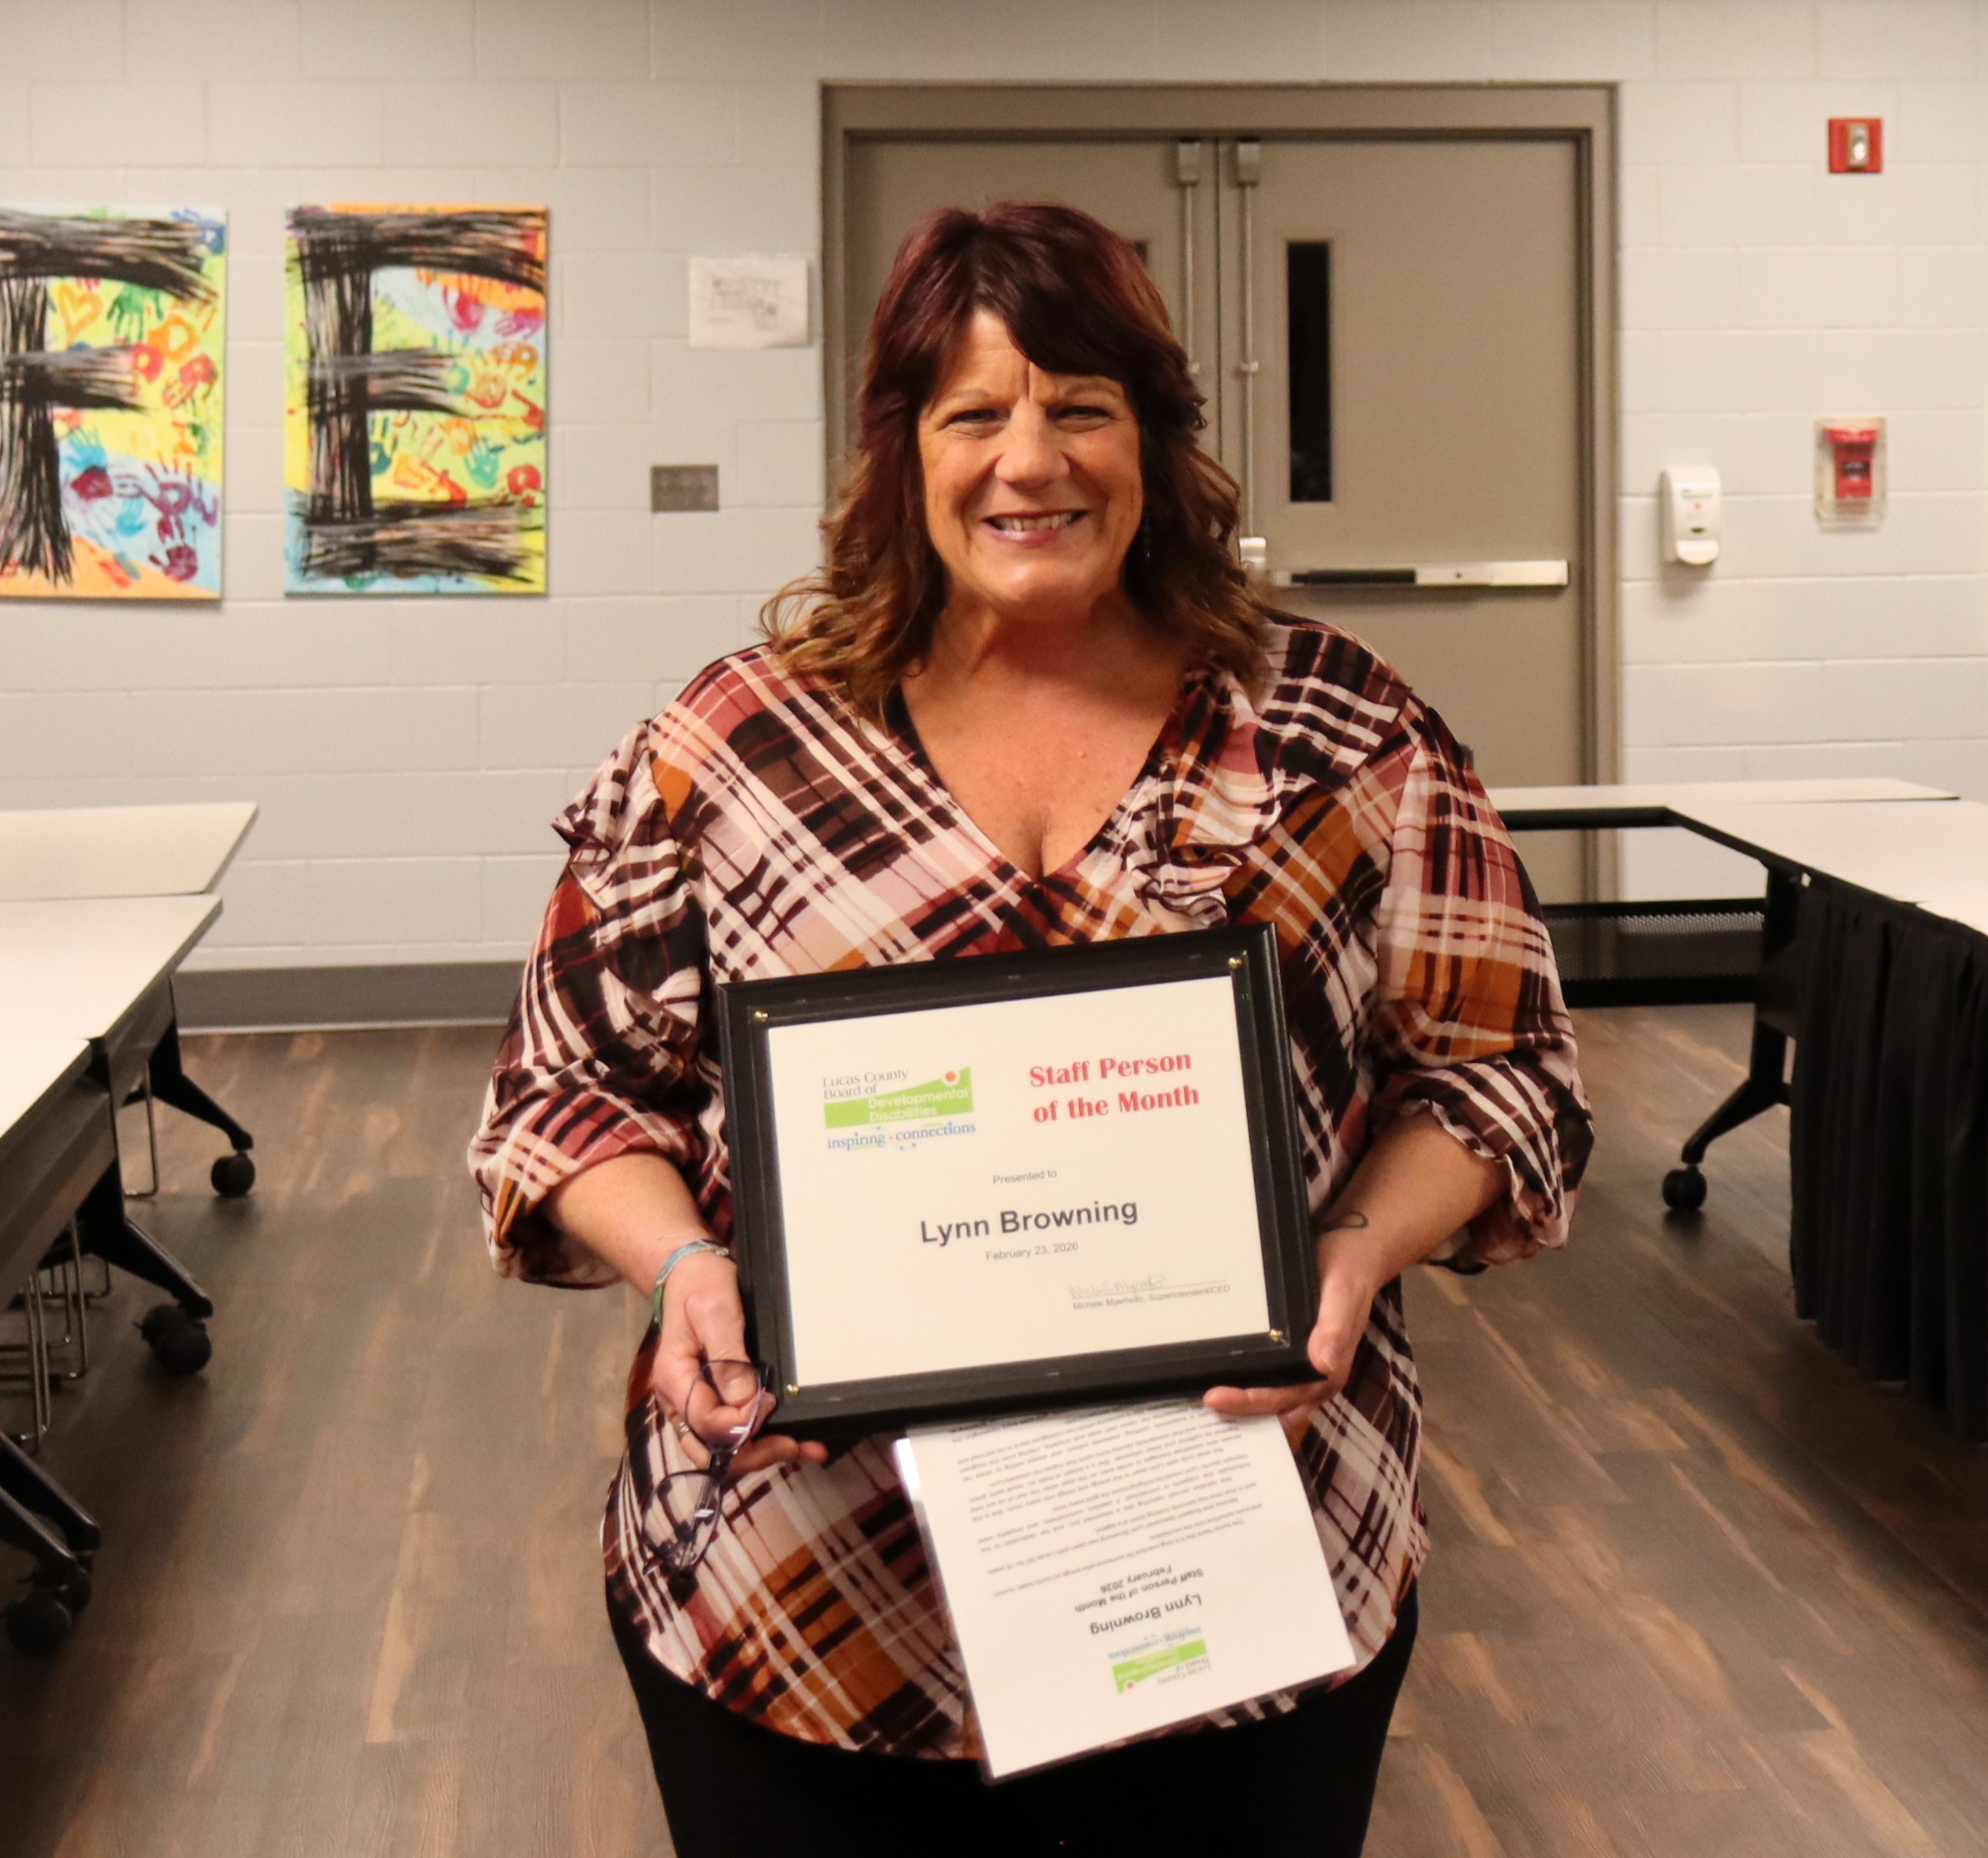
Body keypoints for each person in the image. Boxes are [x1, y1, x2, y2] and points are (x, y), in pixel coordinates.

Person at [471, 201, 1592, 1857]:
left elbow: (1502, 1075)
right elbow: (566, 1093)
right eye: (974, 414)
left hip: (1233, 1579)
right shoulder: (734, 746)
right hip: (811, 1601)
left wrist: (1350, 1258)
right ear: (900, 450)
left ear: (1155, 440)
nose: (1030, 461)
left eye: (1081, 406)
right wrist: (683, 1266)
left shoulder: (1334, 733)